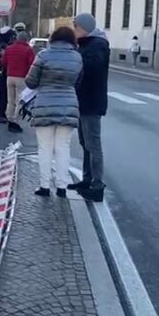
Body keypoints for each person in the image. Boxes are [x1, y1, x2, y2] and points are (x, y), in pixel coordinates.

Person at [24, 27, 83, 198]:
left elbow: (31, 82)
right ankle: (62, 187)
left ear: (53, 39)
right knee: (63, 147)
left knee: (45, 148)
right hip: (68, 104)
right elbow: (78, 81)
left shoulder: (43, 55)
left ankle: (44, 186)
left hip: (45, 105)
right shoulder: (77, 57)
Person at [69, 13, 110, 202]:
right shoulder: (86, 44)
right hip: (82, 100)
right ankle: (87, 179)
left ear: (85, 28)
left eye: (76, 27)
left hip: (92, 102)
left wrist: (76, 57)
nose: (74, 30)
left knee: (94, 145)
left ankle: (98, 184)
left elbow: (95, 66)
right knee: (85, 143)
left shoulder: (99, 44)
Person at [1, 31, 36, 132]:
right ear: (26, 39)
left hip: (10, 77)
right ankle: (15, 121)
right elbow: (32, 64)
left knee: (10, 100)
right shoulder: (28, 50)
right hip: (21, 78)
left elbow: (4, 62)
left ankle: (9, 117)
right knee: (19, 100)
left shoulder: (9, 48)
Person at [0, 27, 17, 122]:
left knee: (4, 93)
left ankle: (1, 113)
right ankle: (0, 113)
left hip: (0, 71)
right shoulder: (2, 46)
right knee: (3, 93)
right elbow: (2, 59)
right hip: (1, 72)